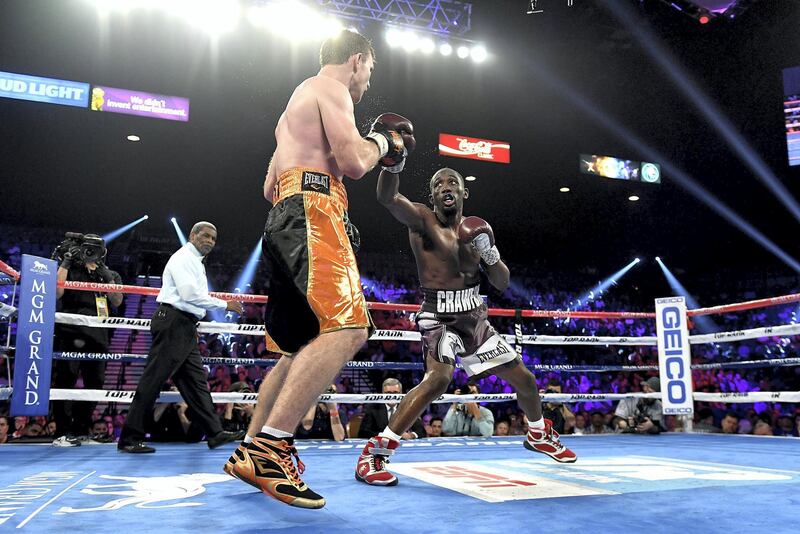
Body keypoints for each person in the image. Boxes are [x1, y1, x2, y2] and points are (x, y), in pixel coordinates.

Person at [224, 29, 414, 509]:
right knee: (349, 328)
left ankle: (250, 449)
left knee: (295, 348)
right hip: (313, 212)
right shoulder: (329, 87)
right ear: (356, 60)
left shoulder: (291, 111)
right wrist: (383, 141)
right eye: (369, 70)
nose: (368, 82)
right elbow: (352, 162)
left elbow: (269, 185)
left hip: (285, 215)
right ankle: (272, 448)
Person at [354, 166, 576, 487]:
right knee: (438, 380)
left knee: (526, 381)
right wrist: (393, 165)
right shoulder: (421, 220)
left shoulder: (477, 230)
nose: (446, 186)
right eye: (438, 183)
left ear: (463, 192)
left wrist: (489, 254)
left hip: (474, 316)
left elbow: (501, 281)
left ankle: (539, 433)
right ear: (432, 195)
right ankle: (376, 452)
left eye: (452, 182)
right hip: (437, 314)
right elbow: (387, 197)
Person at [118, 221, 244, 453]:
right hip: (173, 321)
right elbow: (188, 294)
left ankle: (214, 433)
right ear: (193, 235)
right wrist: (224, 304)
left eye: (214, 239)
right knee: (153, 380)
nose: (210, 241)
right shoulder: (185, 257)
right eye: (205, 235)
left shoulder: (195, 261)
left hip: (184, 325)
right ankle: (129, 437)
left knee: (196, 384)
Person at [52, 233, 123, 446]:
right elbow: (57, 292)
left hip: (98, 336)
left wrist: (105, 274)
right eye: (87, 248)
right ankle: (62, 432)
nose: (90, 252)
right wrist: (66, 260)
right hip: (70, 332)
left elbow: (117, 300)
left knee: (96, 384)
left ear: (103, 251)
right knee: (66, 380)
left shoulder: (110, 274)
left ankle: (81, 430)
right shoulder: (71, 269)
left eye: (95, 249)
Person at [358, 378, 426, 439]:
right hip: (381, 446)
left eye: (395, 393)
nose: (392, 396)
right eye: (388, 393)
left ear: (401, 393)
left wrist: (411, 435)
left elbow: (421, 431)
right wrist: (384, 436)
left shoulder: (407, 407)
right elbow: (363, 432)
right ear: (383, 394)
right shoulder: (373, 407)